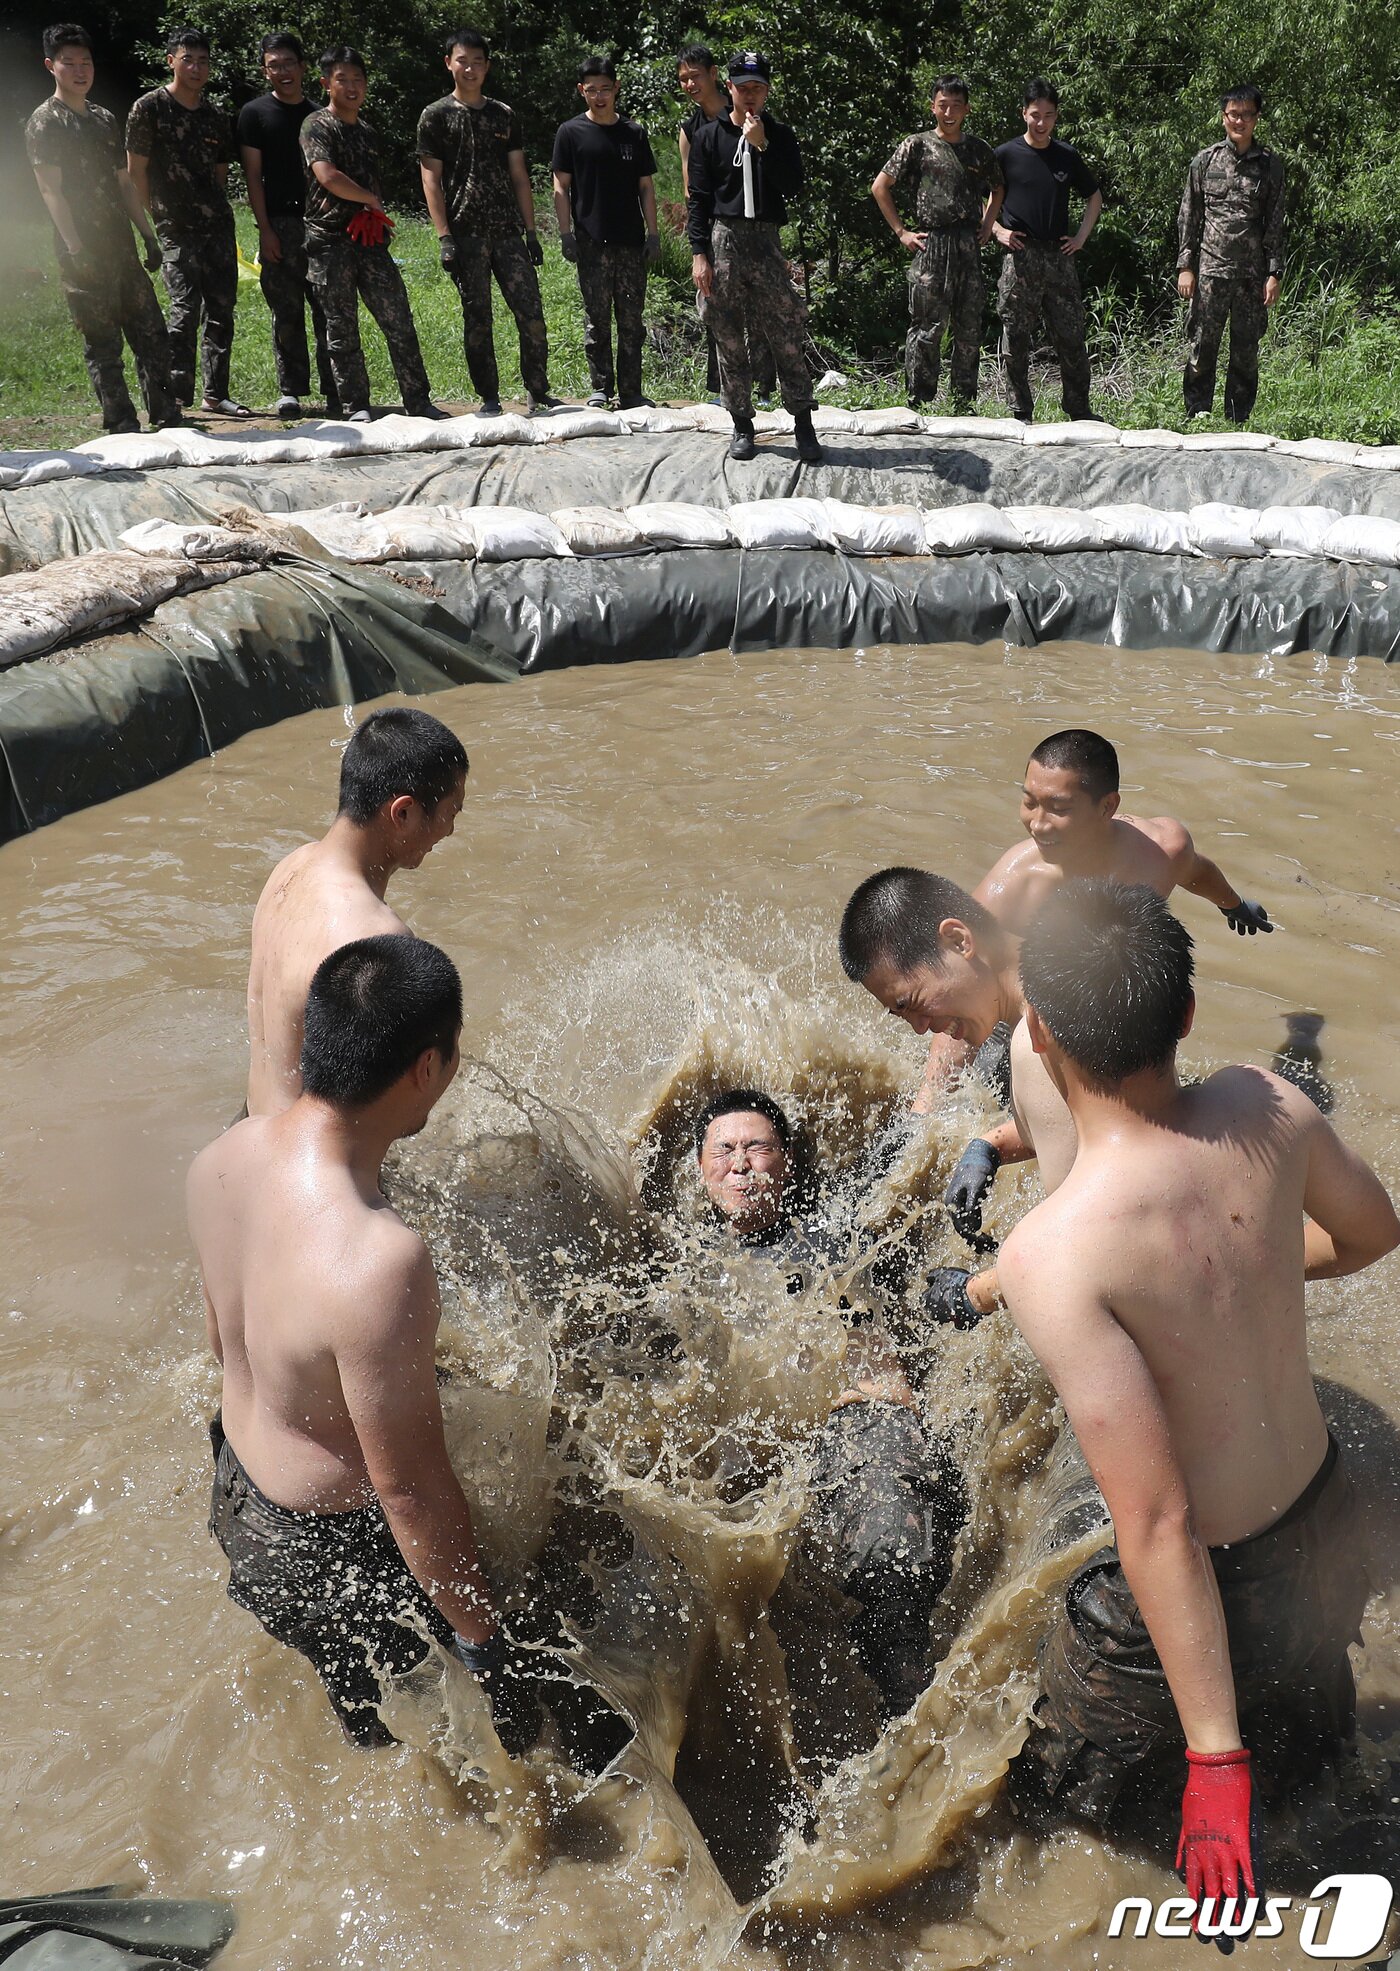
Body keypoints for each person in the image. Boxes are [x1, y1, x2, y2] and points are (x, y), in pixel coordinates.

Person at [996, 882, 1397, 1899]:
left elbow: (1159, 1524)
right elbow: (1369, 1233)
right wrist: (1250, 1269)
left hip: (1204, 1574)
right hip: (1323, 1516)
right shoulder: (1269, 1102)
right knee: (1315, 1771)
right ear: (1182, 1013)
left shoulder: (1054, 1254)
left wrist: (1212, 1762)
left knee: (1044, 1813)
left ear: (1036, 1033)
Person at [192, 934, 541, 1752]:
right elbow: (410, 1492)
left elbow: (222, 1339)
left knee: (369, 1721)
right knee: (458, 1746)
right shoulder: (378, 1257)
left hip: (239, 1499)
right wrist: (488, 1649)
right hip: (334, 1559)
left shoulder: (222, 1156)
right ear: (426, 1067)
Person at [691, 1088, 969, 1719]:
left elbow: (910, 1140)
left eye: (757, 1147)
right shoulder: (686, 1265)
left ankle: (915, 1731)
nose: (740, 1163)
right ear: (701, 1171)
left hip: (862, 1425)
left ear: (785, 1162)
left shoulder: (832, 1228)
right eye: (724, 1150)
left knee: (888, 1580)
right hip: (757, 1448)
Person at [839, 866, 1073, 1331]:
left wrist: (977, 1293)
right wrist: (993, 1144)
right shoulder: (1065, 969)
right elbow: (1099, 1125)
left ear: (960, 941)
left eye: (911, 1004)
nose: (921, 1028)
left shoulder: (1039, 1040)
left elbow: (1090, 1235)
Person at [245, 706, 467, 1117]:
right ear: (403, 812)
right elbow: (406, 1103)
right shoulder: (375, 937)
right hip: (306, 1166)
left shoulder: (289, 869)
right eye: (450, 813)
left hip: (251, 1132)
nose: (449, 830)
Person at [25, 23, 179, 435]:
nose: (79, 71)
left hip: (121, 248)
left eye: (85, 63)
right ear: (50, 66)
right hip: (83, 253)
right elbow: (49, 190)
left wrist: (147, 235)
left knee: (152, 334)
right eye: (69, 63)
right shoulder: (45, 122)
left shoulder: (103, 118)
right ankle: (122, 424)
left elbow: (124, 183)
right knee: (104, 343)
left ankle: (167, 416)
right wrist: (76, 247)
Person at [973, 728, 1273, 938]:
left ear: (1107, 807)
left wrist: (1233, 905)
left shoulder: (1161, 851)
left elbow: (1195, 870)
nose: (1037, 824)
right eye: (1029, 802)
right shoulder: (1015, 880)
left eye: (1059, 808)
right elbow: (954, 959)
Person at [418, 27, 561, 419]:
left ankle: (538, 391)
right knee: (478, 320)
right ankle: (489, 397)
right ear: (449, 63)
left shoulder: (504, 115)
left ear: (487, 67)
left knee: (532, 315)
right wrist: (444, 236)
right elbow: (430, 179)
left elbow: (519, 176)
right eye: (462, 60)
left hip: (508, 234)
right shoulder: (435, 116)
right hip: (465, 234)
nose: (470, 68)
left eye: (478, 62)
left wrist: (531, 231)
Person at [686, 50, 821, 465]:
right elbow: (699, 200)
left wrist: (762, 146)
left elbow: (793, 186)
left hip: (766, 240)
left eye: (757, 89)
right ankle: (742, 423)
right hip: (724, 238)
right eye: (742, 88)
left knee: (785, 332)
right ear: (728, 88)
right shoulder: (709, 137)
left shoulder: (780, 134)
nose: (749, 96)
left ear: (766, 93)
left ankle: (802, 423)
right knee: (727, 335)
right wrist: (699, 254)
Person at [301, 47, 445, 424]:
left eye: (358, 80)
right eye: (342, 80)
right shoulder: (316, 125)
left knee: (398, 319)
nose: (351, 87)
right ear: (326, 83)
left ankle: (418, 401)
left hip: (370, 242)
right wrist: (369, 199)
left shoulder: (367, 132)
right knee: (340, 326)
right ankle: (354, 405)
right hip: (329, 241)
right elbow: (326, 175)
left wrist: (373, 211)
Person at [126, 27, 247, 417]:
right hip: (174, 227)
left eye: (203, 61)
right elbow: (136, 173)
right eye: (188, 59)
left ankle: (217, 394)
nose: (196, 68)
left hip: (217, 228)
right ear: (171, 61)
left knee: (221, 310)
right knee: (183, 311)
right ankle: (177, 397)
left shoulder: (215, 116)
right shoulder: (149, 108)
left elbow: (220, 173)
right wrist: (157, 215)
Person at [871, 74, 1004, 412]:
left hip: (968, 243)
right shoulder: (917, 145)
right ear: (933, 106)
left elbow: (998, 187)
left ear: (967, 110)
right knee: (926, 327)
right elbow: (880, 187)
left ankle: (963, 402)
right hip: (931, 242)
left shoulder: (978, 149)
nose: (949, 113)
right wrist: (901, 231)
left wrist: (989, 224)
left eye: (956, 106)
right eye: (943, 105)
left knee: (969, 327)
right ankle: (919, 400)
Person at [237, 32, 338, 419]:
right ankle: (290, 390)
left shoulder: (319, 115)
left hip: (321, 223)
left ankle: (335, 390)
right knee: (286, 310)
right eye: (274, 65)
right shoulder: (254, 114)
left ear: (303, 66)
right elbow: (253, 178)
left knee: (328, 310)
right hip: (279, 223)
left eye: (289, 63)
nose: (283, 71)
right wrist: (265, 230)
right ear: (265, 71)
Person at [551, 57, 659, 411]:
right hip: (591, 242)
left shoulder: (634, 133)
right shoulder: (570, 132)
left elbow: (646, 187)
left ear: (617, 89)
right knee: (597, 319)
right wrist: (566, 234)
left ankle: (631, 391)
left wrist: (653, 234)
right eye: (592, 90)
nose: (599, 96)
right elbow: (561, 186)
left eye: (605, 89)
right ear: (582, 91)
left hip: (630, 241)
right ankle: (601, 388)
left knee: (631, 321)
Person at [991, 79, 1101, 424]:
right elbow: (987, 197)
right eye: (1035, 115)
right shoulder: (1005, 154)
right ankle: (1020, 410)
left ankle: (1079, 409)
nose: (1041, 123)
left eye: (1048, 116)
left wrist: (1081, 237)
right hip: (1020, 255)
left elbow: (1094, 196)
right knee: (1016, 337)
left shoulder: (1065, 155)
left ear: (1056, 117)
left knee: (1070, 336)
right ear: (1024, 113)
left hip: (1059, 256)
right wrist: (996, 230)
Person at [1177, 86, 1285, 426]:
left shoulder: (1269, 166)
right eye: (1233, 114)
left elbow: (1276, 222)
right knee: (1202, 349)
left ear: (1256, 118)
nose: (1240, 120)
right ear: (1224, 117)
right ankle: (1198, 416)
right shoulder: (1205, 161)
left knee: (1245, 352)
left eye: (1247, 114)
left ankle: (1238, 421)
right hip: (1209, 271)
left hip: (1251, 277)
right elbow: (1189, 216)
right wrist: (1185, 266)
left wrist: (1274, 272)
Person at [676, 44, 776, 405]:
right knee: (720, 315)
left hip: (759, 233)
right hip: (721, 233)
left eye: (696, 76)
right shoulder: (692, 130)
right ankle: (729, 394)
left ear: (718, 77)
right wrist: (699, 249)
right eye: (683, 79)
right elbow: (694, 191)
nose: (690, 85)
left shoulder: (756, 118)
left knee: (764, 314)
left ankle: (764, 389)